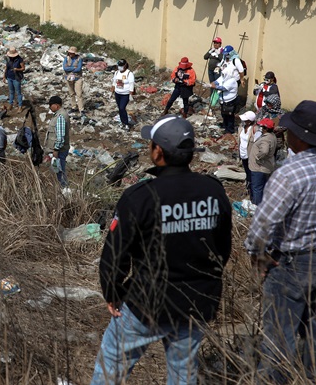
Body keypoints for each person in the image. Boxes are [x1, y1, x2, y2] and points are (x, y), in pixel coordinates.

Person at [91, 115, 232, 385]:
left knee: (112, 366)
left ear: (157, 151)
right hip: (196, 303)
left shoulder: (140, 197)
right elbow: (222, 249)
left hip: (146, 304)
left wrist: (112, 292)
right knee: (183, 373)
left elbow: (115, 254)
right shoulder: (213, 191)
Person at [245, 100, 316, 384]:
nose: (287, 133)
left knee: (279, 336)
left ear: (301, 137)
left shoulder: (290, 172)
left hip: (290, 264)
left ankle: (274, 380)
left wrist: (257, 256)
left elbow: (264, 224)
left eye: (290, 129)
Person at [248, 118, 277, 206]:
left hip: (259, 167)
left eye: (262, 127)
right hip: (266, 167)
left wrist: (258, 157)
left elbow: (264, 151)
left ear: (266, 128)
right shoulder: (272, 136)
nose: (260, 128)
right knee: (263, 188)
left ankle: (256, 207)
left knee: (257, 188)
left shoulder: (266, 139)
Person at [45, 95, 70, 189]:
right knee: (58, 170)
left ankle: (65, 190)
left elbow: (60, 136)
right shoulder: (60, 114)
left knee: (60, 171)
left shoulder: (60, 116)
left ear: (56, 105)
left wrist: (56, 149)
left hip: (59, 150)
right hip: (59, 149)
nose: (50, 107)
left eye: (51, 105)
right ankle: (61, 188)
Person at [238, 111, 259, 198]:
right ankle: (248, 189)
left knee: (251, 174)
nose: (243, 121)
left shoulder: (255, 129)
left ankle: (252, 193)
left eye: (245, 120)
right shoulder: (241, 127)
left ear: (250, 121)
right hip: (243, 154)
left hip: (250, 155)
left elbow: (257, 143)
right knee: (247, 172)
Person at [210, 70, 239, 134]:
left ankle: (230, 130)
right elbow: (217, 81)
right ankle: (225, 126)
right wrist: (212, 84)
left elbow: (223, 88)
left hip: (230, 101)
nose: (222, 75)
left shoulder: (232, 81)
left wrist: (213, 86)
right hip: (223, 101)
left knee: (229, 116)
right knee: (224, 114)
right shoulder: (224, 77)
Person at [112, 59, 135, 130]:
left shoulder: (129, 74)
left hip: (125, 94)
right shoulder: (116, 73)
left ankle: (126, 123)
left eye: (121, 66)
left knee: (122, 108)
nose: (120, 67)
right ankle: (122, 122)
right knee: (120, 109)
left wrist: (131, 94)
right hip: (117, 93)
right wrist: (112, 90)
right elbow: (114, 82)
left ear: (125, 65)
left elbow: (131, 84)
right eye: (119, 66)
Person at [62, 46, 85, 116]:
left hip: (77, 78)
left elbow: (79, 69)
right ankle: (73, 107)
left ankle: (81, 109)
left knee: (79, 94)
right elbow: (65, 68)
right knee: (71, 94)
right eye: (69, 53)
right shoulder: (66, 58)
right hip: (68, 78)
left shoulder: (79, 59)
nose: (70, 54)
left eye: (72, 53)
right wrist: (73, 68)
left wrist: (70, 68)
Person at [3, 47, 25, 111]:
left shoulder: (19, 59)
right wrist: (4, 76)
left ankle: (20, 106)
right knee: (11, 92)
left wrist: (17, 69)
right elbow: (6, 68)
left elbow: (23, 68)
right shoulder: (9, 59)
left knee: (18, 92)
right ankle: (10, 104)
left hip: (16, 78)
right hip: (9, 77)